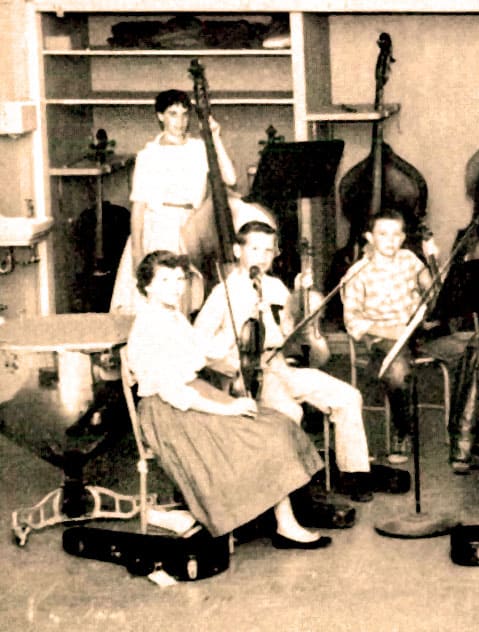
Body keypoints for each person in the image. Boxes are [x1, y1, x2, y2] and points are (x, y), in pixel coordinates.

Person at [124, 250, 330, 548]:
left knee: (275, 423)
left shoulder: (172, 316)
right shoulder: (149, 325)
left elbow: (205, 349)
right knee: (261, 433)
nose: (175, 287)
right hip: (170, 411)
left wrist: (245, 322)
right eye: (165, 280)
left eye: (179, 279)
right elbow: (173, 393)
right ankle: (284, 524)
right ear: (147, 286)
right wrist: (228, 406)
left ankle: (279, 518)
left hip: (192, 395)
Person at [193, 221, 375, 498]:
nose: (262, 257)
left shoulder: (276, 286)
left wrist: (302, 304)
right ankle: (295, 491)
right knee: (290, 413)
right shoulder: (223, 293)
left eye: (268, 250)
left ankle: (352, 474)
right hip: (251, 374)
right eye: (254, 249)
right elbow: (199, 345)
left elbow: (290, 332)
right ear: (237, 250)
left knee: (348, 396)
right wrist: (234, 350)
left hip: (283, 365)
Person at [109, 89, 239, 315]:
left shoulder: (199, 148)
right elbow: (138, 208)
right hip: (158, 228)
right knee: (156, 301)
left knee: (187, 302)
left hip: (192, 228)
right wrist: (138, 256)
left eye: (184, 114)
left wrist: (214, 137)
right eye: (172, 114)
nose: (180, 122)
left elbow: (230, 178)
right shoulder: (149, 155)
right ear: (160, 116)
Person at [342, 209, 439, 464]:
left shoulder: (408, 258)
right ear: (369, 237)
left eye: (396, 235)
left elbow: (428, 285)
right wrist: (390, 332)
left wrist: (431, 264)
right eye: (383, 234)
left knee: (470, 347)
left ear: (404, 237)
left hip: (415, 331)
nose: (390, 241)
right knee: (396, 370)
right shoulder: (357, 273)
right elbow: (353, 322)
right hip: (380, 337)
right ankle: (402, 430)